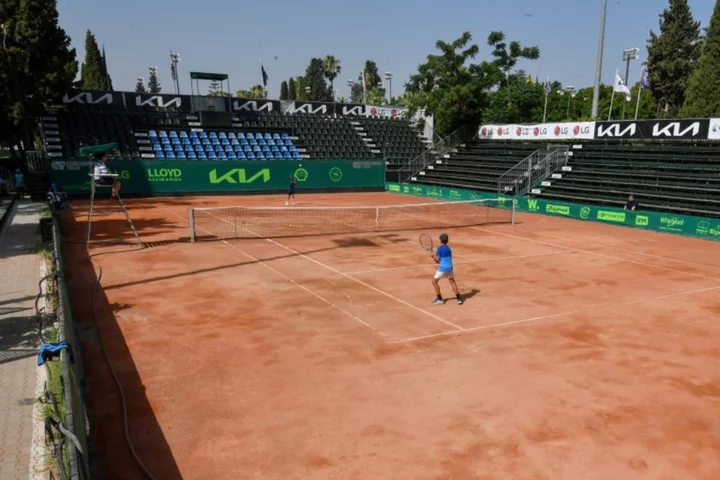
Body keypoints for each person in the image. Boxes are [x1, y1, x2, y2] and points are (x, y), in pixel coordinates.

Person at [430, 233, 463, 305]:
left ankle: (439, 299)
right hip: (450, 267)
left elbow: (437, 260)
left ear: (441, 240)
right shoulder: (449, 248)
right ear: (447, 240)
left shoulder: (440, 249)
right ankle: (458, 298)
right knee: (452, 281)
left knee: (434, 282)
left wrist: (432, 256)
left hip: (443, 268)